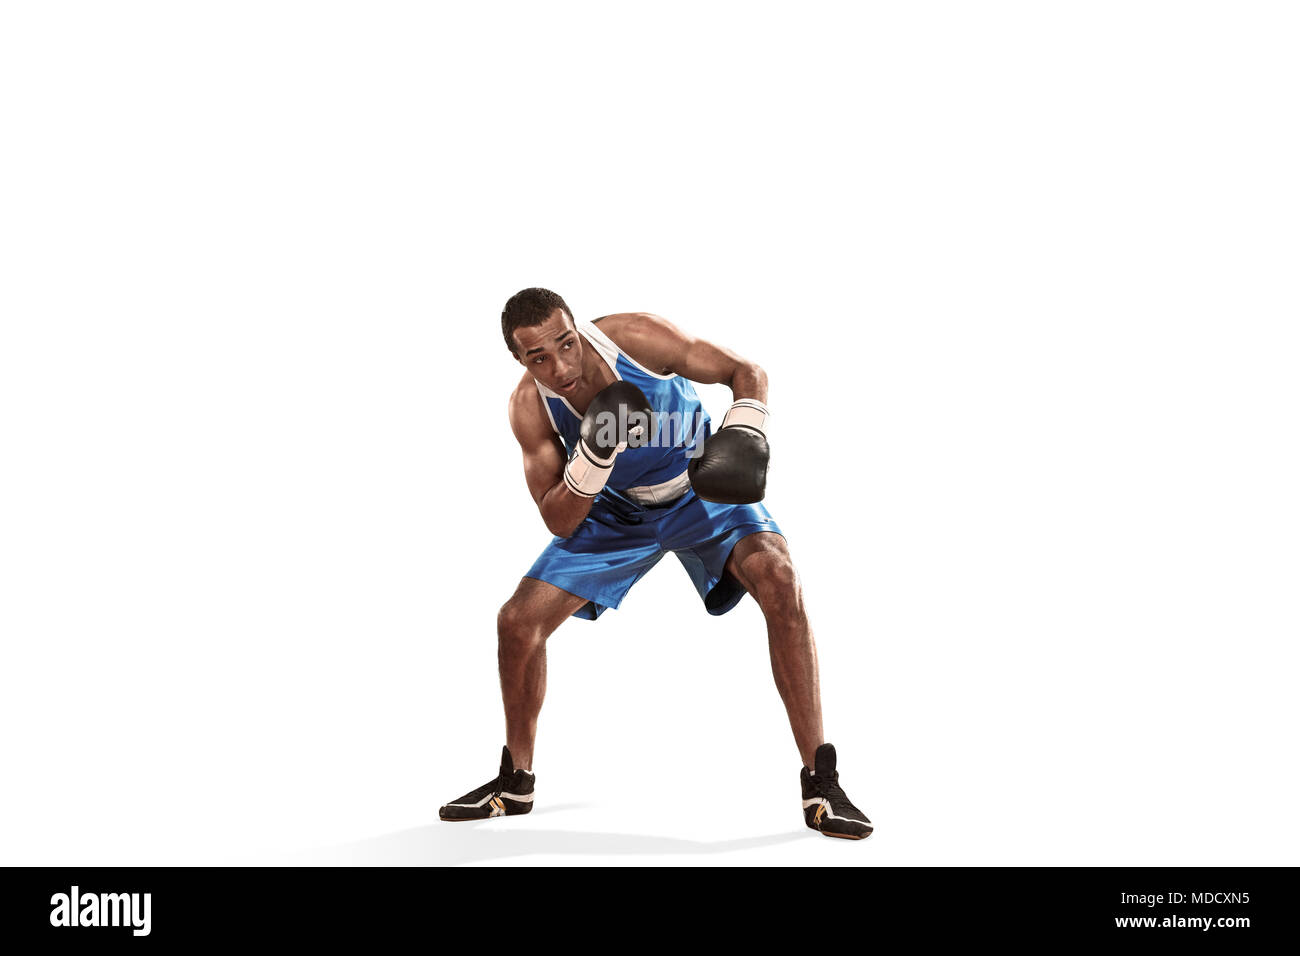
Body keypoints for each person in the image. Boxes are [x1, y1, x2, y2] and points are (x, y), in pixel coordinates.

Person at [438, 288, 873, 840]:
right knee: (517, 622)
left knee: (779, 578)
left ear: (577, 328)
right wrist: (595, 457)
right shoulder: (530, 407)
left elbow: (746, 370)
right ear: (520, 362)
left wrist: (745, 429)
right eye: (538, 358)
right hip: (614, 512)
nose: (561, 366)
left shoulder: (636, 339)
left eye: (565, 344)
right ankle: (515, 781)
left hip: (701, 490)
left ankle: (821, 781)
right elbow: (559, 519)